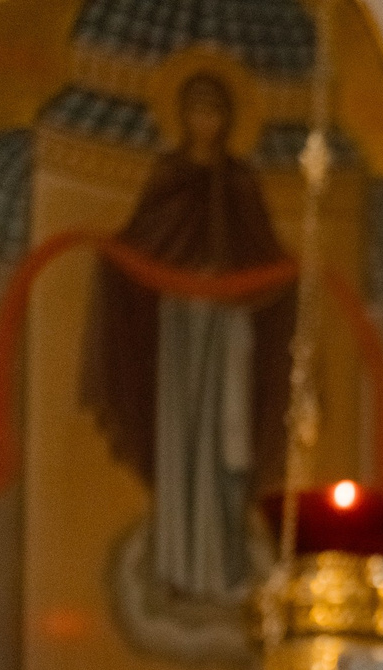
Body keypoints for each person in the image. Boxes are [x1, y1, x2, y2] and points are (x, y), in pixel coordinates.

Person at [79, 68, 294, 604]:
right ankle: (178, 563)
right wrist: (122, 259)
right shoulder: (168, 174)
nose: (205, 120)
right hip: (178, 326)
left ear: (227, 119)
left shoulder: (242, 180)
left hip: (230, 330)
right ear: (181, 117)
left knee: (227, 440)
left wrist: (276, 277)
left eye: (214, 109)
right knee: (183, 438)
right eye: (195, 109)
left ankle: (224, 561)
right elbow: (144, 241)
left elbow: (264, 250)